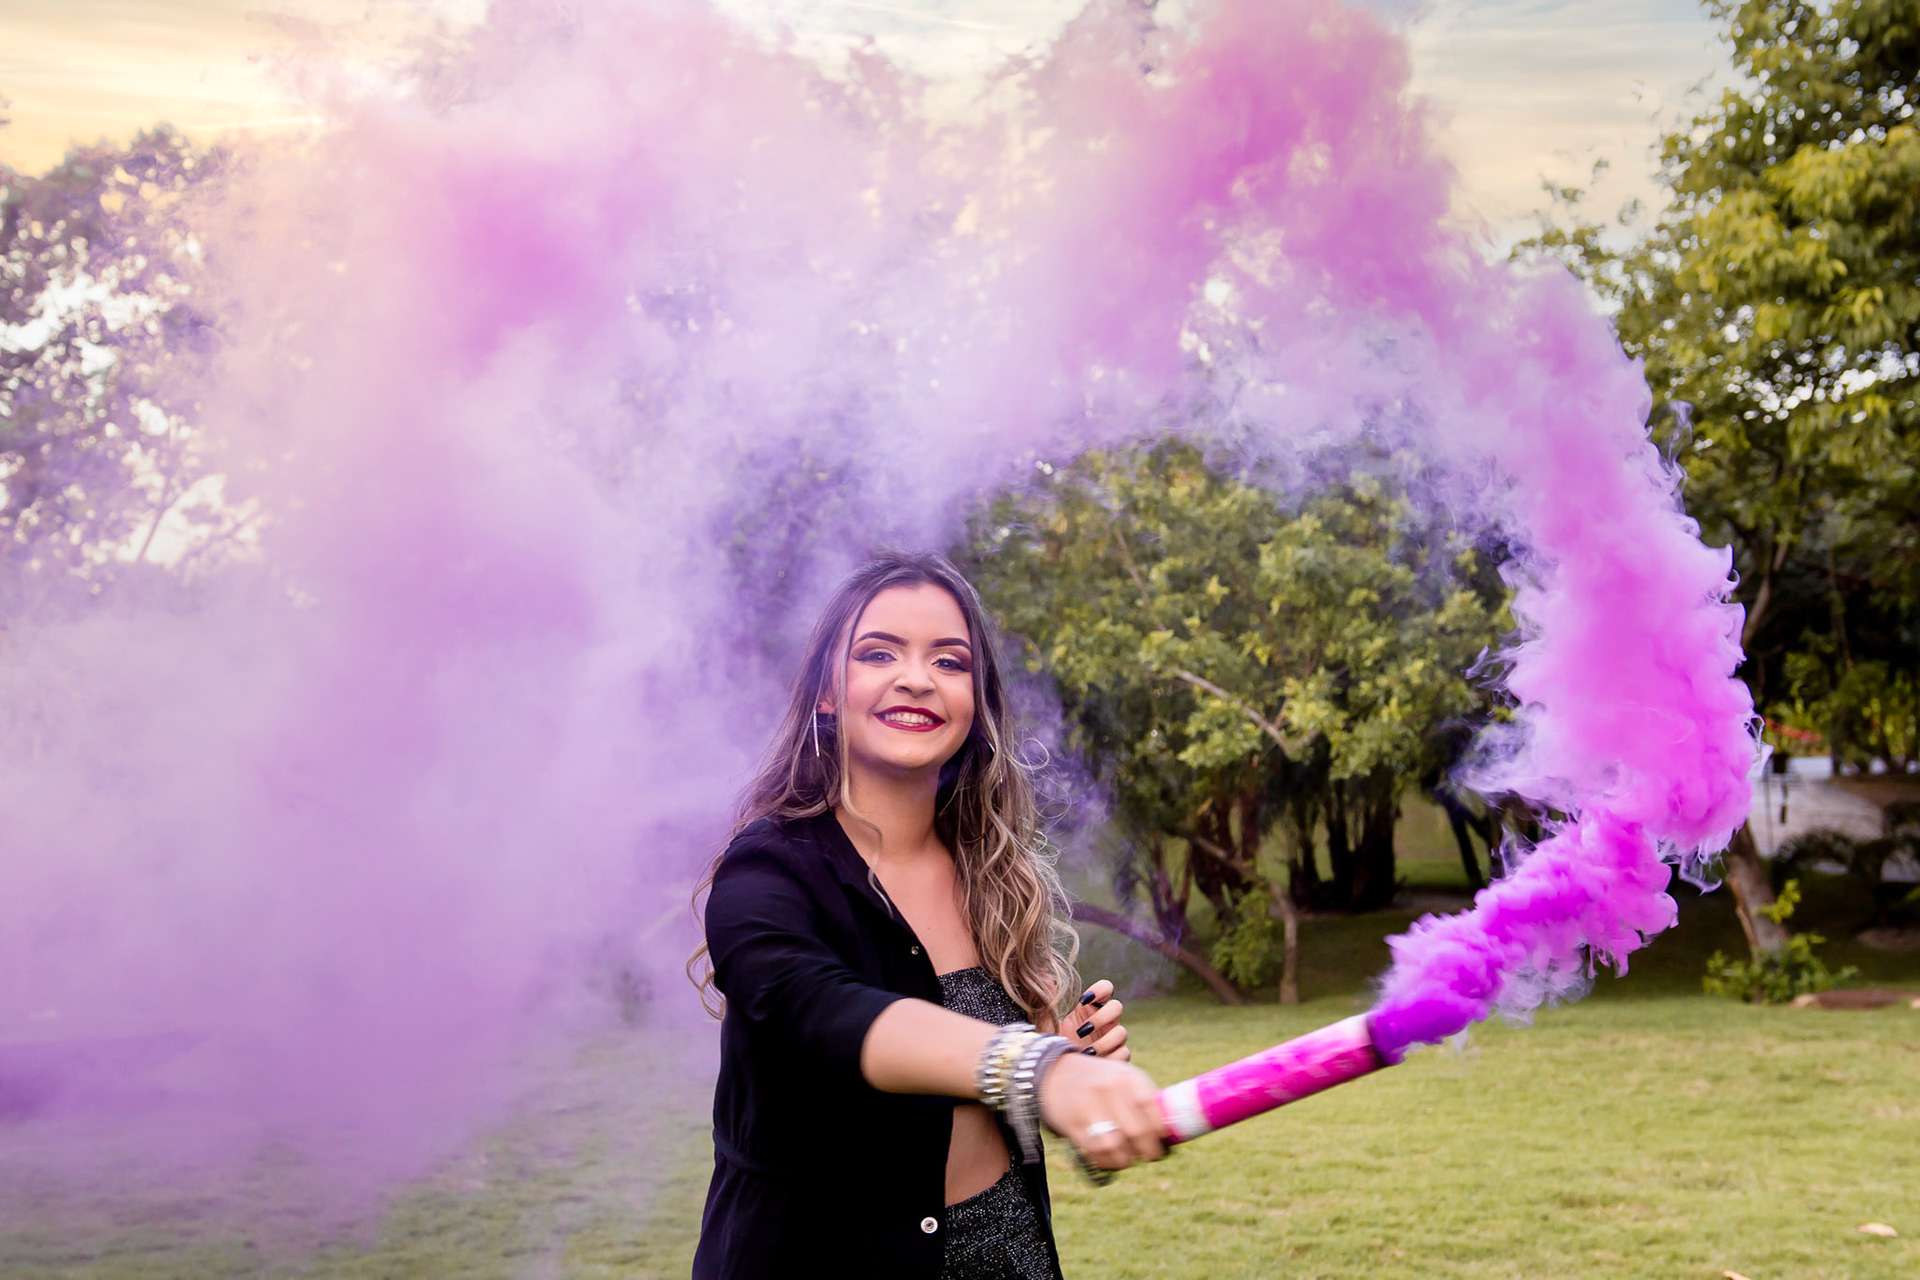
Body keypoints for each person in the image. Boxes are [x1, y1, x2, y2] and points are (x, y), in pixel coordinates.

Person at [689, 551, 1169, 1280]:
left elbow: (976, 1102)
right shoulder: (768, 870)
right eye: (879, 652)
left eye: (950, 662)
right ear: (826, 691)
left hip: (1008, 1254)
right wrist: (1036, 1069)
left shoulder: (993, 872)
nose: (917, 678)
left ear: (975, 704)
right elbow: (822, 1009)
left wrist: (1070, 1062)